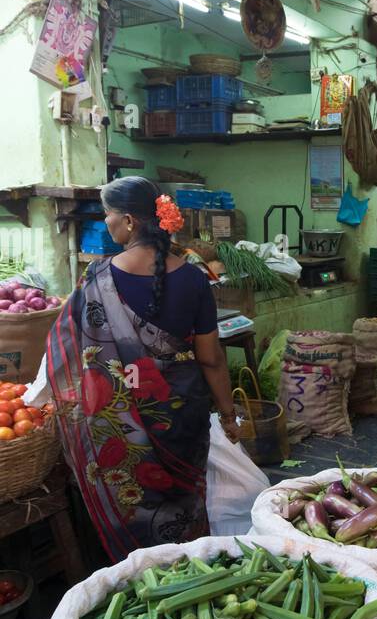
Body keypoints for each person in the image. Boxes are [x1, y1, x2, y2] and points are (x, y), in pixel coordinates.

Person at [47, 176, 241, 561]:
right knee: (184, 496)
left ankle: (138, 574)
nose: (106, 223)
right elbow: (210, 358)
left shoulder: (95, 278)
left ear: (130, 221)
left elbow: (69, 349)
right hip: (182, 413)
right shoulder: (193, 277)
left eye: (108, 215)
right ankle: (189, 569)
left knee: (131, 499)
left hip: (118, 419)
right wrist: (230, 414)